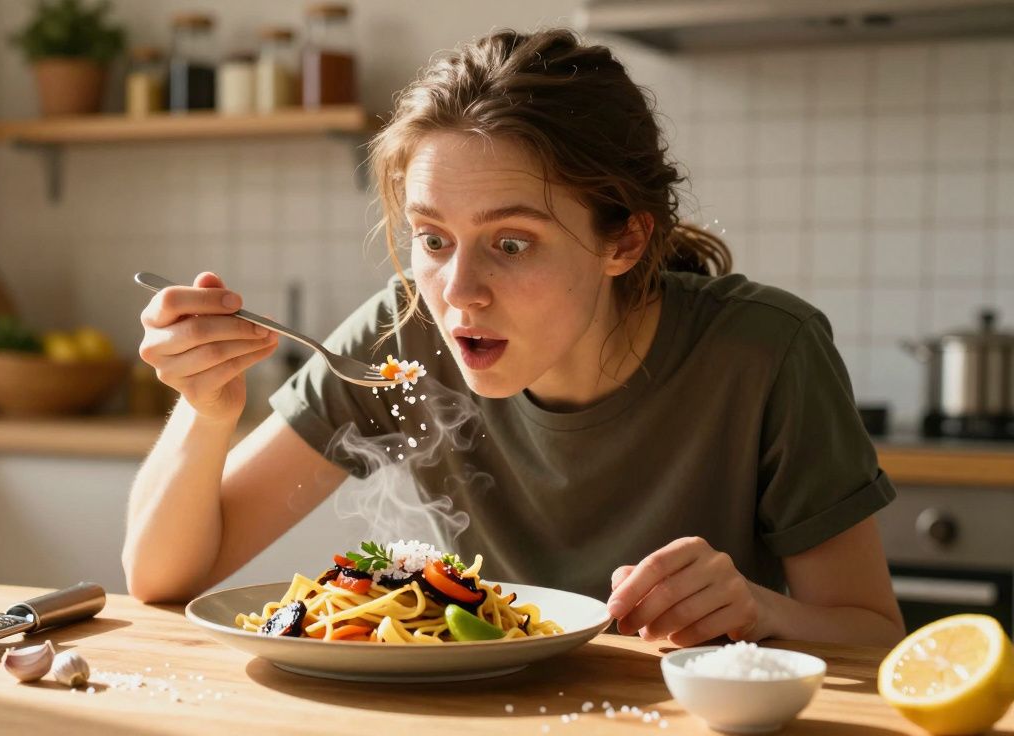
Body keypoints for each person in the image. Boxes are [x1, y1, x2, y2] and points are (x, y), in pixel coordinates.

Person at [122, 28, 905, 647]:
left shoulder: (767, 353)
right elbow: (160, 580)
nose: (457, 293)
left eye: (512, 243)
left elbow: (872, 632)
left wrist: (757, 609)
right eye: (432, 240)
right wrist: (206, 409)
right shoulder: (401, 339)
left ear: (624, 242)